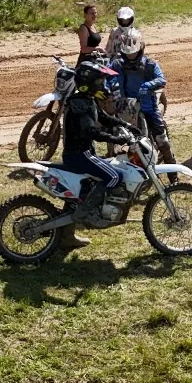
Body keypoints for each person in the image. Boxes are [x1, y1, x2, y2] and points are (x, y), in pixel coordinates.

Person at [59, 51, 133, 248]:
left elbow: (104, 119)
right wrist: (116, 138)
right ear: (89, 82)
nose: (103, 85)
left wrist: (127, 126)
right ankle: (88, 214)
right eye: (100, 82)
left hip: (82, 153)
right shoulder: (80, 103)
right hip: (79, 155)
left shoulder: (86, 99)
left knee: (81, 191)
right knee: (115, 176)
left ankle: (67, 235)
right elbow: (91, 131)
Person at [110, 31, 176, 166]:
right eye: (127, 53)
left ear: (140, 49)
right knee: (114, 135)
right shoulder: (117, 64)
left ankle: (173, 173)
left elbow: (161, 79)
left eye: (133, 52)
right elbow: (107, 74)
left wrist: (149, 84)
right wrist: (108, 84)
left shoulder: (150, 64)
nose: (130, 55)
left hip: (147, 106)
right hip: (125, 107)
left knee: (161, 139)